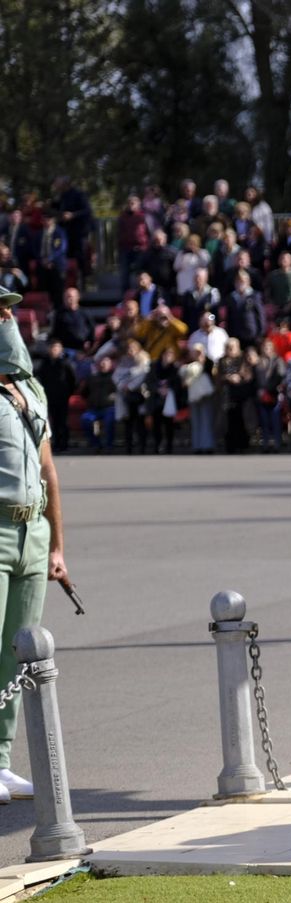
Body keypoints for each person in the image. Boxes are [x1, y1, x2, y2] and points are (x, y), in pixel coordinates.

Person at [0, 286, 70, 803]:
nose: (8, 317)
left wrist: (56, 548)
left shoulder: (32, 389)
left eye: (8, 309)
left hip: (32, 532)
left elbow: (48, 471)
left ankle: (0, 761)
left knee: (17, 657)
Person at [36, 341, 76, 452]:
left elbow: (72, 379)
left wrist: (68, 392)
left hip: (63, 396)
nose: (54, 350)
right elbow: (41, 377)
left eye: (57, 348)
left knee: (62, 420)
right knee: (53, 420)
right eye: (52, 348)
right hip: (49, 395)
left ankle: (64, 443)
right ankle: (56, 443)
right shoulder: (45, 363)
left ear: (61, 349)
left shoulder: (65, 363)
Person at [217, 338, 254, 453]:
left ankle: (243, 444)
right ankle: (230, 445)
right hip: (227, 394)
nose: (231, 349)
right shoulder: (222, 361)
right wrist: (228, 377)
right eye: (228, 347)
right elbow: (218, 377)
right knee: (229, 420)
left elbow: (249, 375)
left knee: (242, 419)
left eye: (233, 347)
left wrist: (239, 377)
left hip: (241, 392)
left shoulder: (243, 359)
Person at [180, 346, 217, 454]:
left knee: (206, 420)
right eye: (195, 352)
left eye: (199, 352)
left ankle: (208, 445)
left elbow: (211, 373)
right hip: (193, 395)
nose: (197, 354)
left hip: (205, 394)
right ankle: (197, 446)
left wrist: (202, 361)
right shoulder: (187, 363)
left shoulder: (208, 362)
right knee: (196, 421)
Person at [81, 354, 119, 453]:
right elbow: (84, 393)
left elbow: (119, 391)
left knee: (109, 421)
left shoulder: (115, 377)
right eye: (101, 362)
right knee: (85, 419)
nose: (103, 364)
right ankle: (96, 444)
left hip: (109, 407)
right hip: (93, 409)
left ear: (110, 364)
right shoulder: (92, 377)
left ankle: (109, 445)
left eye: (105, 362)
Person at [253, 341, 286, 452]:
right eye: (264, 347)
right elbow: (255, 378)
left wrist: (268, 389)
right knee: (264, 421)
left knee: (275, 420)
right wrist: (260, 390)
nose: (266, 349)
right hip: (261, 395)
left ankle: (277, 443)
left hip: (274, 394)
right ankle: (265, 444)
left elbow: (280, 376)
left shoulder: (278, 361)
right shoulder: (258, 362)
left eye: (268, 347)